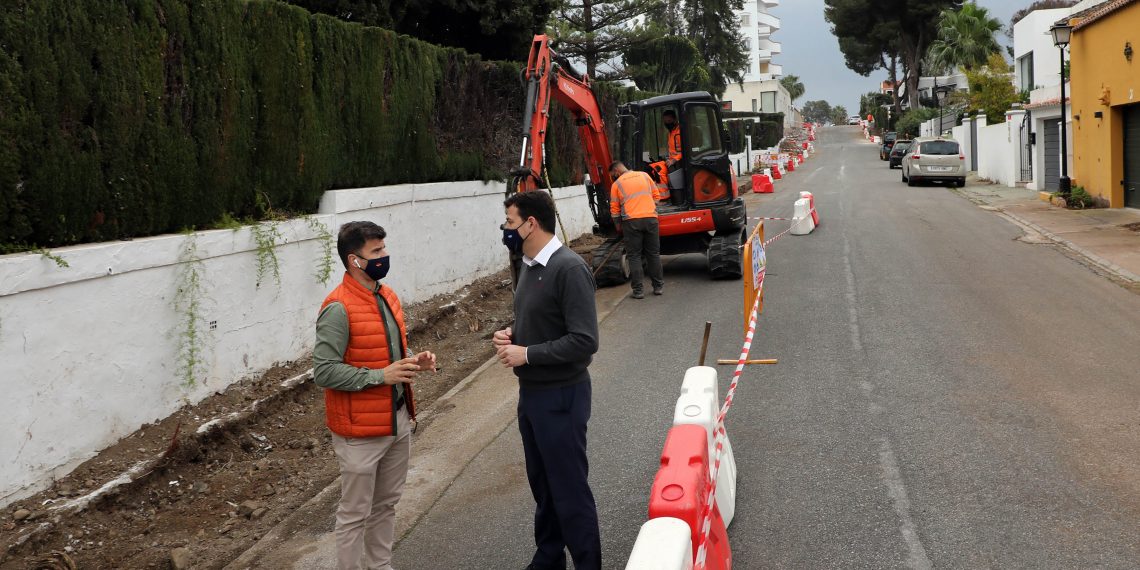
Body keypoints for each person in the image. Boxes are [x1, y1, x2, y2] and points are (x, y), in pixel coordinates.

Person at [314, 221, 437, 570]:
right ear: (355, 260)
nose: (385, 256)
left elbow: (387, 351)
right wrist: (380, 376)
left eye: (384, 249)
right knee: (355, 513)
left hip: (396, 419)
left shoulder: (387, 295)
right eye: (377, 251)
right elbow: (323, 371)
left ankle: (380, 566)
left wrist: (416, 360)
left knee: (386, 505)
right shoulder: (337, 308)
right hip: (358, 432)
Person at [493, 191, 601, 570]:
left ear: (530, 224)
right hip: (533, 395)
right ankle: (549, 555)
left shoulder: (568, 268)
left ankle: (588, 563)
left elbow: (585, 340)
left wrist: (528, 354)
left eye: (509, 222)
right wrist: (511, 333)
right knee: (543, 485)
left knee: (569, 489)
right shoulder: (529, 265)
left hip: (561, 396)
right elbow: (541, 320)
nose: (505, 229)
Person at [609, 161, 665, 299]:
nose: (613, 177)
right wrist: (648, 208)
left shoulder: (617, 184)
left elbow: (615, 210)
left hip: (631, 222)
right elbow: (657, 197)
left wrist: (618, 227)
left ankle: (638, 291)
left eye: (612, 175)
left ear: (616, 171)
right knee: (653, 254)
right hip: (651, 219)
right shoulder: (644, 176)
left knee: (634, 256)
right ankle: (658, 287)